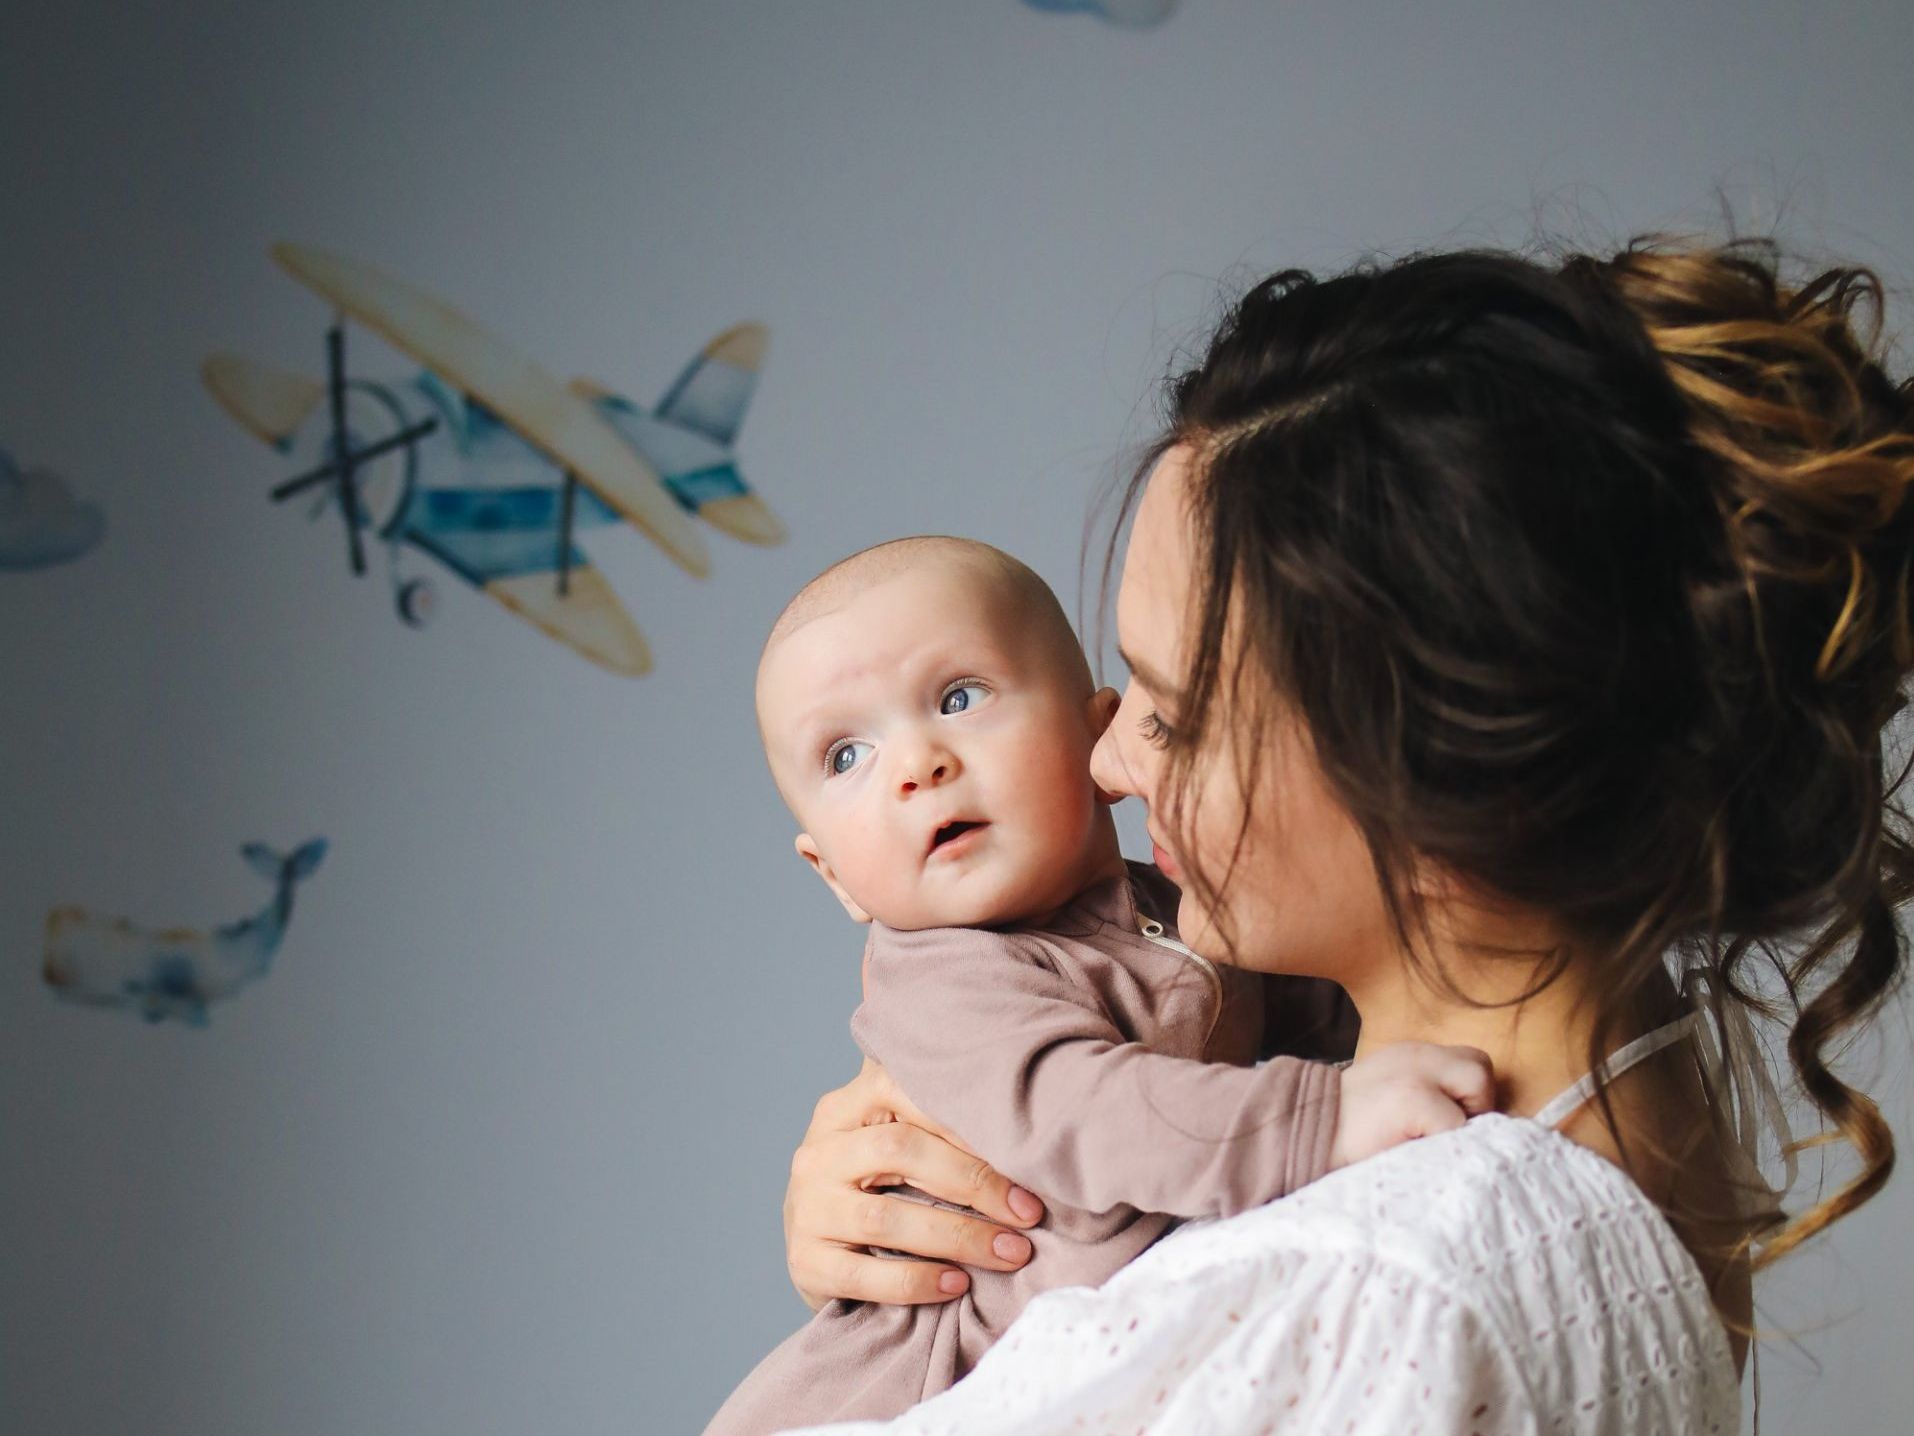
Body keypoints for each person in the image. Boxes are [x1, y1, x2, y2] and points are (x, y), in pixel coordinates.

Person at [772, 233, 1914, 1433]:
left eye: (1172, 714)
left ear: (1431, 770)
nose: (1105, 763)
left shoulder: (1376, 1291)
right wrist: (926, 1284)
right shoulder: (1631, 1087)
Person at [707, 538, 1496, 1433]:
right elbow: (1087, 1112)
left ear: (1098, 734)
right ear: (833, 875)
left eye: (959, 699)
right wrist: (1325, 1116)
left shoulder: (1186, 905)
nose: (915, 765)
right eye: (845, 755)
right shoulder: (941, 980)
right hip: (910, 1391)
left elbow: (1331, 1011)